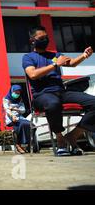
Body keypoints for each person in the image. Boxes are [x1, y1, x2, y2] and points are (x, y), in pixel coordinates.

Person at [23, 25, 95, 156]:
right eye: (41, 38)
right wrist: (55, 64)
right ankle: (60, 140)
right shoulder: (28, 57)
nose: (45, 40)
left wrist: (84, 56)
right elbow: (33, 74)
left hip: (62, 92)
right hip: (42, 95)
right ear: (32, 40)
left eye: (46, 37)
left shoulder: (54, 55)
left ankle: (73, 135)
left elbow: (72, 63)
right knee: (53, 103)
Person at [3, 85, 30, 153]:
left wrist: (15, 109)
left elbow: (23, 110)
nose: (17, 94)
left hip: (20, 117)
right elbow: (7, 109)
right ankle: (18, 144)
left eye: (18, 93)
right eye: (15, 92)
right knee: (21, 124)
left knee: (31, 125)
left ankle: (28, 145)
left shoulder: (20, 99)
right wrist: (12, 116)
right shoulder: (6, 99)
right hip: (10, 118)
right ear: (12, 91)